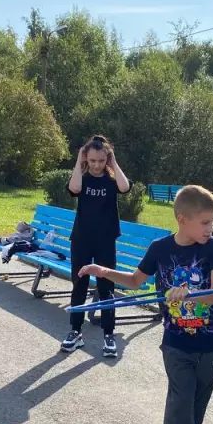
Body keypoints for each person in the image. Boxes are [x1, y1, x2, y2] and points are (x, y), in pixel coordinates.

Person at [78, 185, 213, 424]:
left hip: (212, 344)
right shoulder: (160, 248)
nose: (210, 228)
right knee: (180, 405)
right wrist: (102, 271)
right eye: (204, 222)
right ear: (182, 219)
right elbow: (135, 281)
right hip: (177, 344)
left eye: (212, 223)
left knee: (195, 409)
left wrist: (187, 294)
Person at [61, 134, 131, 358]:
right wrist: (78, 162)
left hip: (105, 241)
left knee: (106, 289)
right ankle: (75, 332)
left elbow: (125, 187)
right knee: (79, 285)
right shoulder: (82, 178)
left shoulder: (111, 180)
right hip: (82, 240)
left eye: (101, 161)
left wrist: (113, 163)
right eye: (92, 161)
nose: (97, 165)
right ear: (86, 159)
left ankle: (108, 335)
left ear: (107, 159)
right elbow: (73, 189)